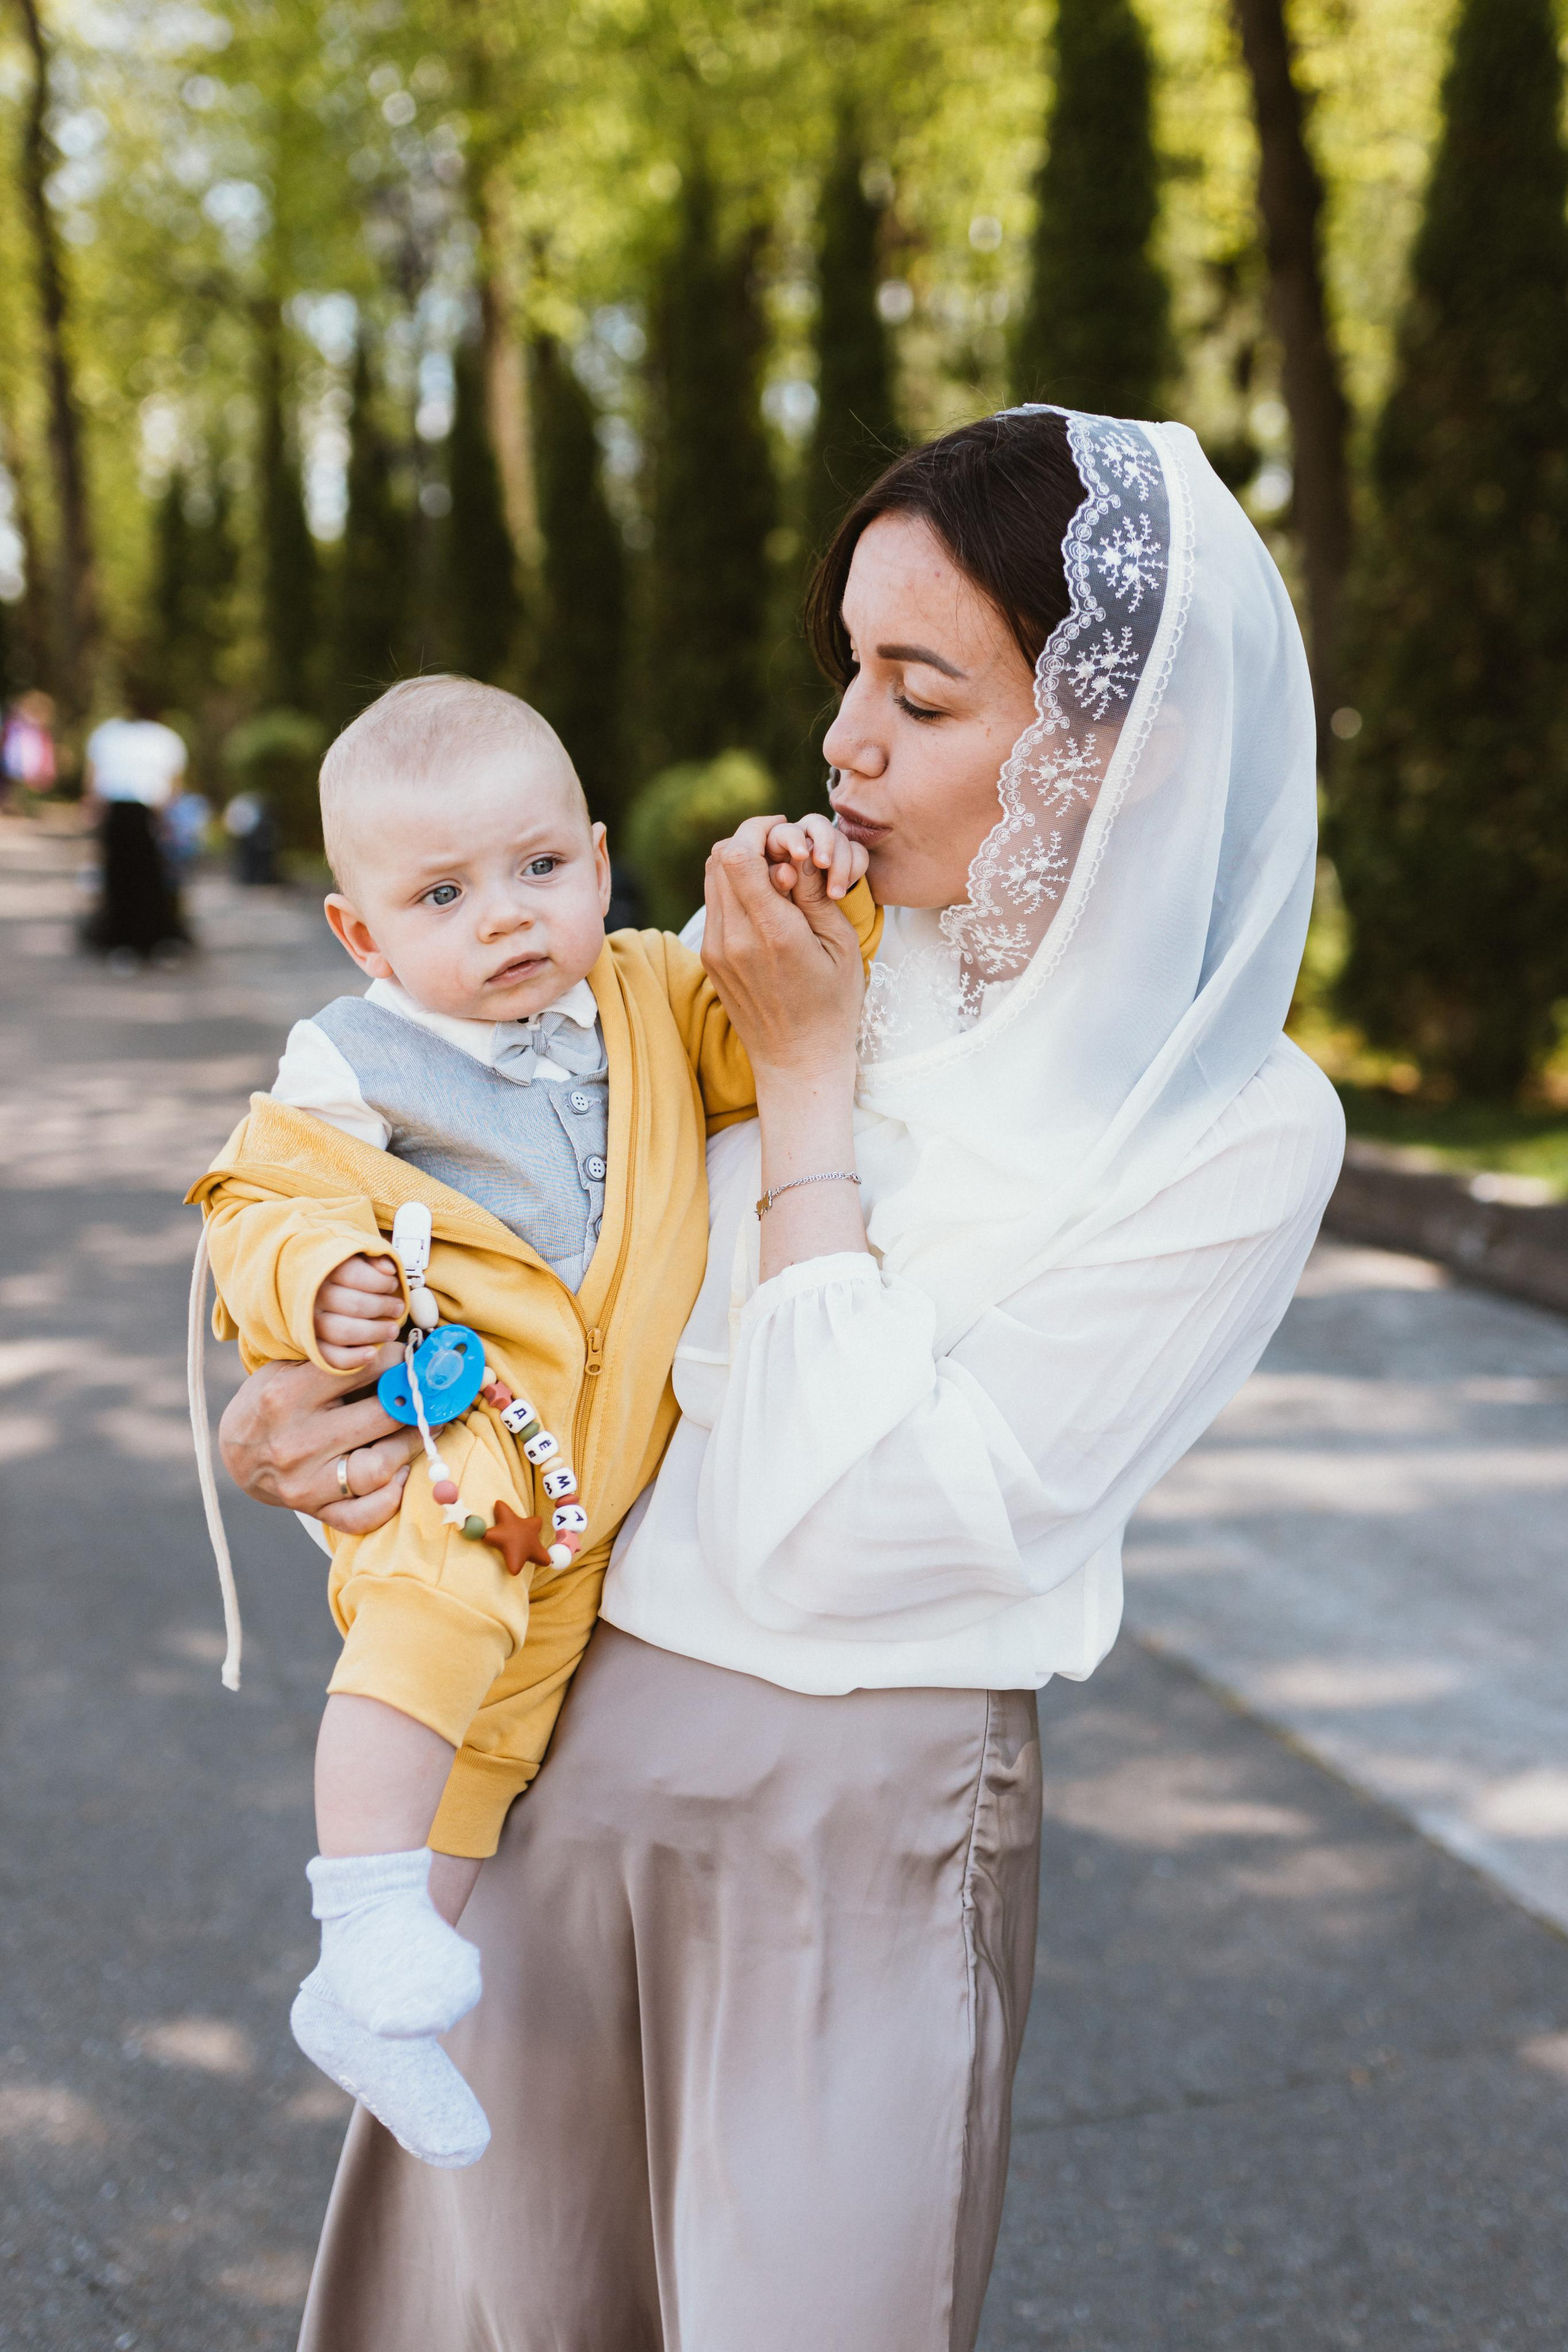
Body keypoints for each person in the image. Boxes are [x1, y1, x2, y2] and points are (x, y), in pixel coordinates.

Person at [219, 407, 1344, 2351]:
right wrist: (293, 1408)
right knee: (507, 2303)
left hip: (865, 1797)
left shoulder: (1234, 1118)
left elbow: (867, 1533)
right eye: (848, 666)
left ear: (1112, 738)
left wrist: (807, 1080)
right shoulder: (760, 954)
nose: (844, 739)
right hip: (565, 1745)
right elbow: (456, 1217)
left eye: (917, 689)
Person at [190, 674, 876, 2171]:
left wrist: (821, 897)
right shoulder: (350, 1058)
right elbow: (259, 1203)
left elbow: (754, 1026)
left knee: (492, 1736)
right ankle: (361, 1905)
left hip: (594, 1484)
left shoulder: (638, 993)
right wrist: (325, 1280)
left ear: (600, 858)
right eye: (441, 892)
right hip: (460, 1430)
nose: (504, 917)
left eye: (538, 868)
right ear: (362, 934)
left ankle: (375, 2001)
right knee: (430, 1619)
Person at [81, 678, 189, 964]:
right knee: (151, 882)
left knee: (121, 881)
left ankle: (126, 942)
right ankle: (150, 941)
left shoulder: (106, 734)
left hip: (122, 815)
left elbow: (92, 785)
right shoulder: (165, 737)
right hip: (145, 815)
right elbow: (174, 788)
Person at [1, 689, 56, 802]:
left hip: (30, 774)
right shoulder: (13, 728)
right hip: (9, 769)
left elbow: (46, 754)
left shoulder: (41, 735)